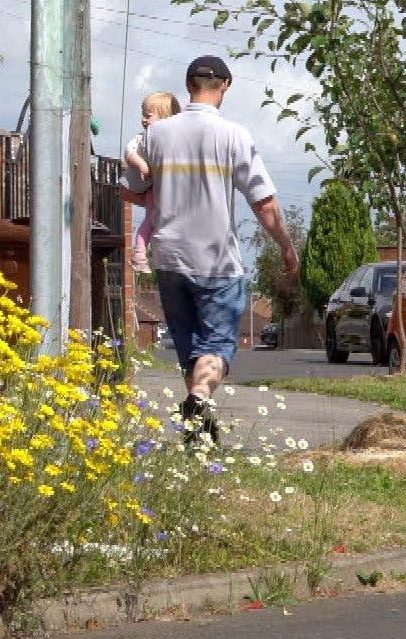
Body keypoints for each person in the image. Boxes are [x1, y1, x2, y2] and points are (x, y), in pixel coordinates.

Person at [122, 56, 299, 440]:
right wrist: (286, 247)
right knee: (216, 346)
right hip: (217, 259)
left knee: (190, 348)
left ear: (188, 85)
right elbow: (264, 204)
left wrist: (168, 191)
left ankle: (198, 430)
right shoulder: (234, 135)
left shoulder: (157, 135)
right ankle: (199, 398)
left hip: (168, 258)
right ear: (226, 86)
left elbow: (131, 190)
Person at [123, 91, 182, 275]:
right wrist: (141, 164)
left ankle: (154, 255)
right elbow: (129, 152)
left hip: (161, 190)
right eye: (144, 115)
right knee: (150, 220)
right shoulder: (142, 138)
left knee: (158, 221)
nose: (143, 120)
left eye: (148, 116)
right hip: (152, 190)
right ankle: (140, 254)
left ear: (165, 118)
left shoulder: (173, 141)